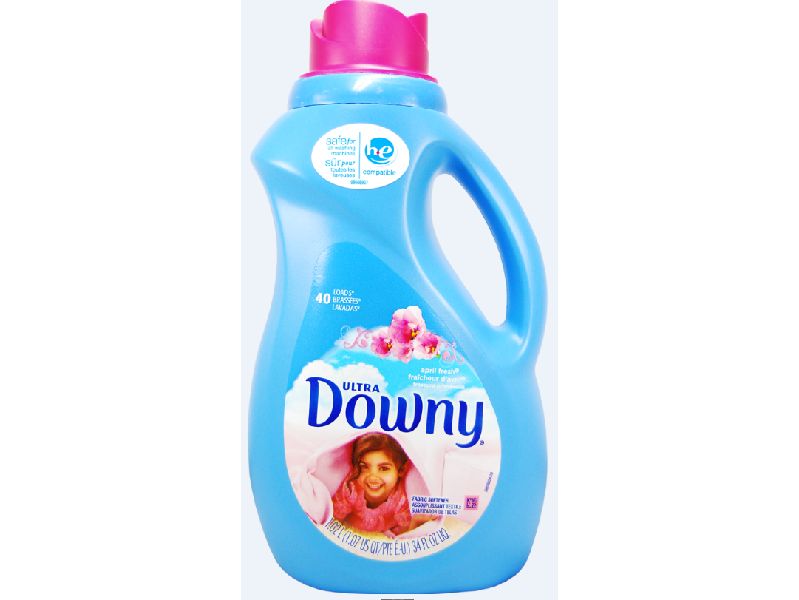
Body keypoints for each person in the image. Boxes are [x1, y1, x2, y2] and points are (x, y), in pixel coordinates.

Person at [332, 432, 432, 536]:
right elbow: (333, 521)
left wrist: (416, 523)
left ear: (401, 470)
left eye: (384, 468)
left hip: (383, 537)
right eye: (364, 467)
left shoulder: (401, 499)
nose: (372, 477)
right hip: (351, 533)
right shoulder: (351, 488)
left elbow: (404, 534)